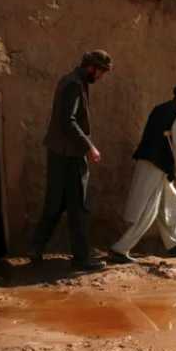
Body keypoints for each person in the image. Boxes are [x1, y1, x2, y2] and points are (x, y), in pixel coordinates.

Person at [28, 50, 112, 271]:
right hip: (69, 154)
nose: (101, 77)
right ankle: (82, 259)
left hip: (59, 152)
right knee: (79, 206)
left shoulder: (71, 80)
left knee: (56, 203)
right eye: (101, 71)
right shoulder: (74, 85)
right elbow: (68, 121)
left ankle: (36, 247)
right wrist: (89, 147)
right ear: (91, 68)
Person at [107, 84, 176, 264]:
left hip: (150, 161)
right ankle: (120, 249)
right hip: (158, 166)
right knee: (148, 211)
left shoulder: (160, 109)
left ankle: (174, 244)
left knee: (173, 200)